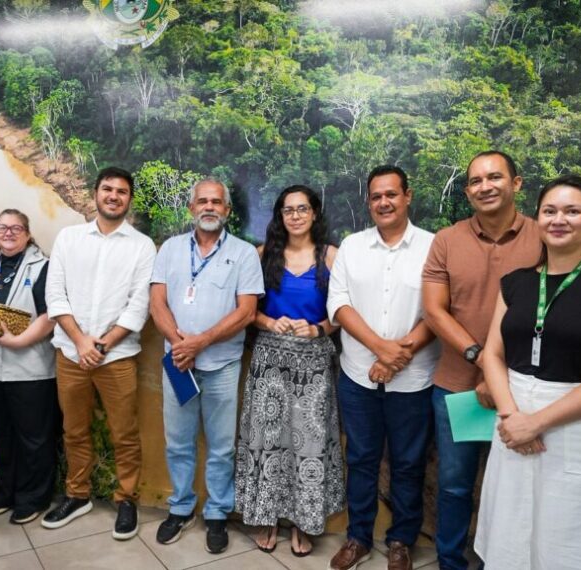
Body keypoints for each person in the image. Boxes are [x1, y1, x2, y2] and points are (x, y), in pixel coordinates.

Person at [475, 175, 581, 569]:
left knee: (577, 536)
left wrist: (537, 422)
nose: (559, 220)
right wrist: (512, 416)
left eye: (573, 211)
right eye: (550, 211)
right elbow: (493, 355)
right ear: (537, 219)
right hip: (512, 420)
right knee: (513, 530)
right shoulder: (516, 284)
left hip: (578, 425)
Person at [422, 151, 542, 570]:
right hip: (458, 385)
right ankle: (451, 562)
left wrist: (501, 375)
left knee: (521, 485)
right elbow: (436, 312)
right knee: (455, 485)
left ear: (517, 183)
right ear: (468, 190)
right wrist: (480, 360)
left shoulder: (544, 237)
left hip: (528, 389)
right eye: (475, 181)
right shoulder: (448, 239)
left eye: (495, 177)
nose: (485, 186)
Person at [327, 167, 440, 570]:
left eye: (391, 194)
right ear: (368, 202)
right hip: (359, 376)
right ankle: (358, 538)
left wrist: (398, 356)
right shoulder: (352, 247)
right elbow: (338, 305)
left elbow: (440, 311)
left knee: (408, 464)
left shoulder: (433, 247)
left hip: (414, 380)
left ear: (408, 196)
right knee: (360, 459)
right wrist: (380, 351)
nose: (384, 203)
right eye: (376, 196)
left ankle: (400, 541)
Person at [150, 178, 264, 554]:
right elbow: (157, 304)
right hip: (178, 364)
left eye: (217, 202)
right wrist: (182, 345)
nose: (209, 207)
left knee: (221, 446)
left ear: (227, 210)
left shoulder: (245, 254)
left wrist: (201, 341)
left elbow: (247, 311)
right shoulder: (169, 249)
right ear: (191, 208)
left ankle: (216, 513)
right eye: (203, 201)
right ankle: (181, 508)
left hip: (222, 364)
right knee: (178, 442)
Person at [43, 167, 156, 540]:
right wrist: (80, 341)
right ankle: (78, 495)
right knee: (74, 430)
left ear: (129, 199)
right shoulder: (69, 238)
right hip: (70, 353)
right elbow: (55, 295)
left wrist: (102, 344)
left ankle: (126, 499)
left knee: (124, 432)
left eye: (121, 191)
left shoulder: (141, 245)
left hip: (117, 357)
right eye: (107, 189)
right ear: (95, 194)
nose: (113, 196)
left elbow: (138, 307)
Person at [234, 185, 343, 557]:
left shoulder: (331, 256)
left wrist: (318, 328)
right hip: (269, 363)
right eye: (287, 210)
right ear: (279, 216)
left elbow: (346, 312)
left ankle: (302, 521)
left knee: (308, 445)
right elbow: (247, 310)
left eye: (302, 209)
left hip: (313, 364)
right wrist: (267, 321)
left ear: (314, 213)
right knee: (267, 440)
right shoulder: (262, 255)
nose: (295, 216)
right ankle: (266, 517)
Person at [0, 209, 56, 525]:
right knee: (3, 432)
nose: (9, 233)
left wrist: (20, 342)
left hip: (30, 365)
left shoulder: (43, 266)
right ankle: (5, 492)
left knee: (33, 437)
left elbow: (51, 314)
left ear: (27, 233)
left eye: (16, 228)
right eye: (3, 227)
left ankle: (33, 497)